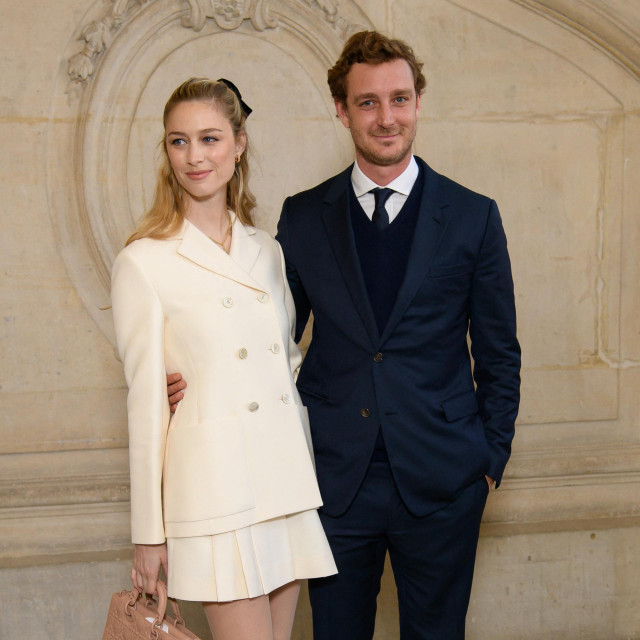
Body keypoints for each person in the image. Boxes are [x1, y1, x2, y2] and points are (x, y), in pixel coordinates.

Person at [169, 30, 520, 639]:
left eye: (400, 99)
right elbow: (268, 337)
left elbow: (499, 351)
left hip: (444, 481)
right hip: (333, 481)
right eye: (368, 102)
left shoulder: (472, 215)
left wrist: (489, 457)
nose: (387, 118)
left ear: (417, 102)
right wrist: (198, 382)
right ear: (342, 110)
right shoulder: (304, 216)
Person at [111, 77, 336, 640]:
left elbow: (287, 363)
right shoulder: (144, 261)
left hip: (282, 482)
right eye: (178, 141)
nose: (194, 156)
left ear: (239, 144)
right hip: (215, 491)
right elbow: (145, 404)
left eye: (209, 138)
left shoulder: (266, 250)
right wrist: (148, 534)